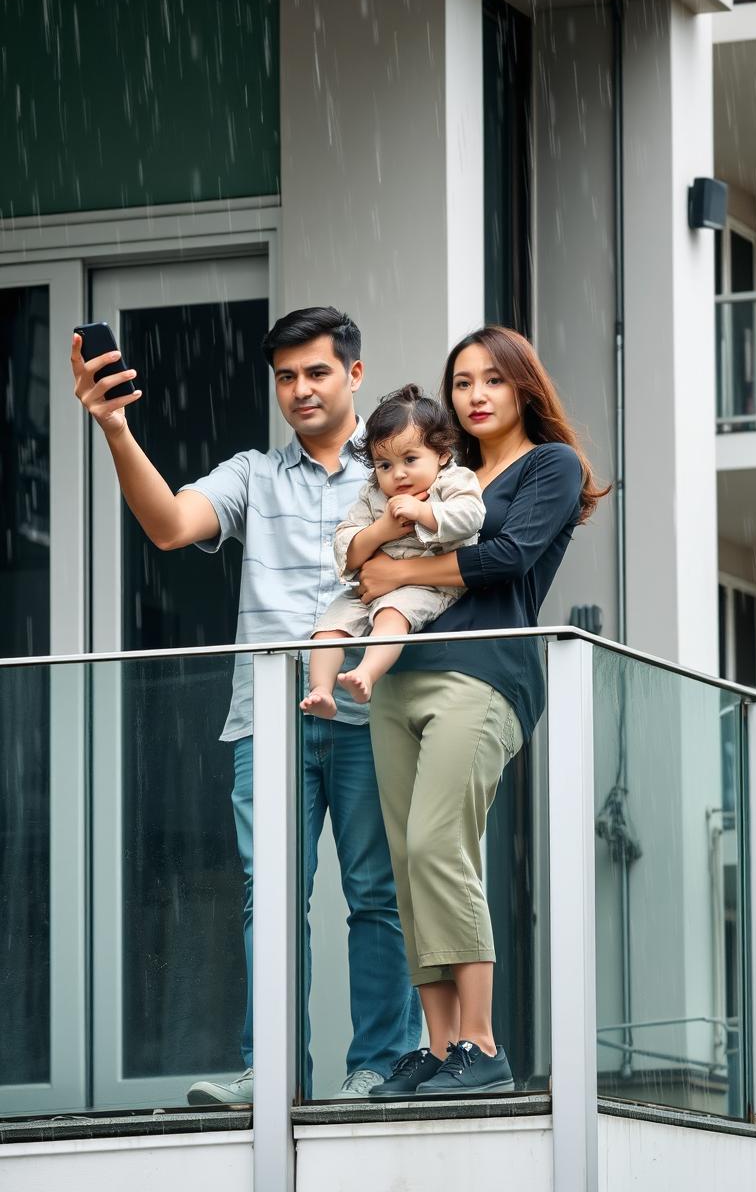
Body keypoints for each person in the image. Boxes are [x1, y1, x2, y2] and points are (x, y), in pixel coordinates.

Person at [71, 306, 421, 1103]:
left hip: (377, 710)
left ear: (355, 375)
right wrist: (117, 430)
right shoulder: (253, 474)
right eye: (286, 377)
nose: (300, 389)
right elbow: (168, 526)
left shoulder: (404, 464)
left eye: (317, 372)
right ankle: (270, 1075)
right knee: (271, 896)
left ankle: (381, 1068)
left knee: (378, 894)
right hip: (268, 720)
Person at [357, 325, 608, 1098]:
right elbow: (364, 553)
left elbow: (509, 559)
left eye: (491, 380)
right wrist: (375, 563)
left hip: (484, 674)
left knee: (439, 844)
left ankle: (483, 1044)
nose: (474, 395)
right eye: (462, 382)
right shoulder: (442, 468)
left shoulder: (551, 465)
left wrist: (396, 570)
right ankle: (439, 1050)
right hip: (398, 674)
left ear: (523, 387)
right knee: (407, 864)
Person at [301, 384, 485, 717]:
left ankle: (366, 674)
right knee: (328, 626)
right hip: (369, 589)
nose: (397, 474)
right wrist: (380, 530)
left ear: (442, 454)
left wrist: (425, 513)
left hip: (427, 586)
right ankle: (321, 691)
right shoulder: (372, 495)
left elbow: (472, 516)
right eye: (384, 465)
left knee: (392, 615)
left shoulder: (453, 481)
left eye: (410, 460)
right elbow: (345, 542)